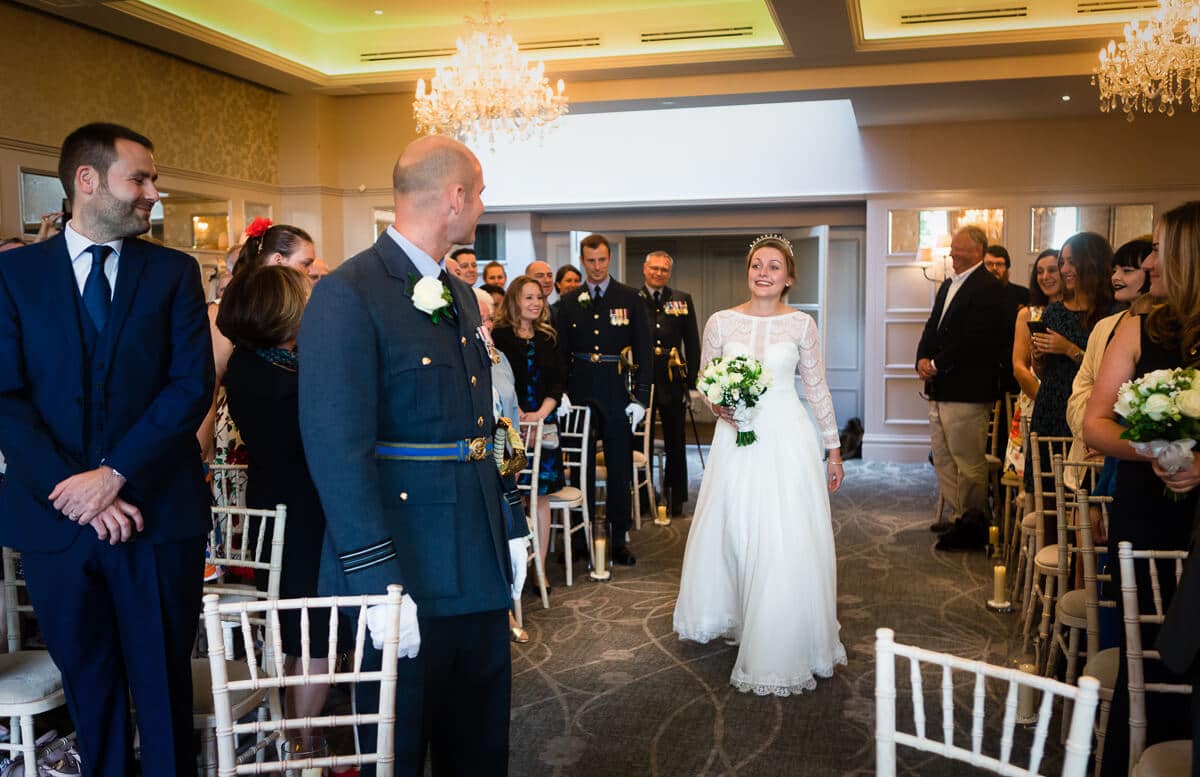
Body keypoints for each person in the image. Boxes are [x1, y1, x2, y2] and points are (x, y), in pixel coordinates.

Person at [0, 122, 214, 775]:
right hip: (56, 523)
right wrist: (78, 493)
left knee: (163, 687)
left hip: (157, 517)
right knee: (87, 691)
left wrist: (114, 474)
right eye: (140, 179)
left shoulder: (173, 271)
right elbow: (5, 397)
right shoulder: (13, 275)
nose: (153, 192)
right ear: (86, 182)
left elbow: (190, 386)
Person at [299, 134, 513, 775]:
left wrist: (512, 523)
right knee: (396, 749)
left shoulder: (452, 289)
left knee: (477, 745)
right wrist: (373, 584)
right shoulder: (350, 292)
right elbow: (337, 449)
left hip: (474, 556)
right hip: (405, 566)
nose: (481, 205)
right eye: (478, 194)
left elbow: (480, 422)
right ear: (455, 198)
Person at [674, 234, 845, 696]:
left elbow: (817, 390)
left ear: (789, 278)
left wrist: (832, 449)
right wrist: (719, 405)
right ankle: (741, 611)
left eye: (774, 266)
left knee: (783, 531)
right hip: (737, 439)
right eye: (756, 264)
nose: (763, 272)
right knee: (736, 525)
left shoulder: (802, 326)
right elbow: (706, 380)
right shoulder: (720, 322)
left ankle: (781, 633)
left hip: (788, 436)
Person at [1083, 203, 1200, 777]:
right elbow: (1096, 424)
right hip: (1150, 509)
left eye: (1159, 249)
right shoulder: (1139, 326)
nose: (1149, 261)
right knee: (1153, 648)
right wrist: (1160, 451)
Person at [217, 264, 336, 724]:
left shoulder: (253, 363)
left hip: (277, 503)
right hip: (302, 513)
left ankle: (295, 736)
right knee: (314, 634)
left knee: (300, 630)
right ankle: (303, 749)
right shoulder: (288, 379)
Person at [556, 234, 652, 567]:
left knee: (619, 465)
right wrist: (561, 393)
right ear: (582, 261)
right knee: (578, 464)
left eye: (601, 260)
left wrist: (640, 398)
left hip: (615, 390)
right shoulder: (569, 301)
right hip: (580, 390)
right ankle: (580, 535)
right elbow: (560, 353)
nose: (596, 267)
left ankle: (619, 535)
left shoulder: (630, 297)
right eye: (590, 261)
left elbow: (644, 351)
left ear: (609, 259)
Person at [198, 221, 316, 463]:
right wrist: (204, 454)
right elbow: (209, 386)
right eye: (306, 264)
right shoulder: (236, 317)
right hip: (240, 428)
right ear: (278, 260)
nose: (309, 273)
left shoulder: (286, 346)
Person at [915, 226, 1008, 530]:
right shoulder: (946, 285)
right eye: (952, 248)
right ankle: (958, 515)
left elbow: (975, 338)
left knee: (967, 462)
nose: (952, 253)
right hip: (940, 387)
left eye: (960, 249)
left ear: (979, 251)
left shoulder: (988, 287)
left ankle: (973, 522)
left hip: (968, 390)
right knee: (943, 458)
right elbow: (933, 326)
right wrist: (921, 359)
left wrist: (938, 363)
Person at [1025, 232, 1115, 493]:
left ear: (1092, 263)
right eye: (1062, 262)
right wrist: (1038, 356)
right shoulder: (1054, 311)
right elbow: (1043, 372)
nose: (1064, 270)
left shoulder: (1112, 313)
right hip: (1051, 406)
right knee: (1048, 494)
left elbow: (1107, 372)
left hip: (1087, 410)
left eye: (1070, 262)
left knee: (1082, 494)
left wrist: (1069, 349)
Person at [493, 275, 566, 573]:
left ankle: (541, 569)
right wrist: (520, 415)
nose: (536, 303)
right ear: (514, 301)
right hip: (507, 426)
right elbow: (499, 381)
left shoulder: (549, 337)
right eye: (529, 297)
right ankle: (512, 570)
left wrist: (539, 415)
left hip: (544, 426)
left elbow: (558, 382)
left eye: (539, 297)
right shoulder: (498, 336)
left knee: (540, 496)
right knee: (510, 494)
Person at [639, 250, 700, 516]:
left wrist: (694, 383)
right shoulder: (633, 299)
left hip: (673, 378)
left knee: (676, 440)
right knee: (641, 441)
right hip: (643, 379)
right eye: (654, 268)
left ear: (669, 273)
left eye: (664, 270)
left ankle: (675, 499)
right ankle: (643, 498)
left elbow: (693, 343)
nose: (658, 273)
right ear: (645, 269)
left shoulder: (681, 300)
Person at [1005, 248, 1062, 477]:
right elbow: (1019, 365)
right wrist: (1043, 398)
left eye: (1052, 270)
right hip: (1033, 397)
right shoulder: (1029, 313)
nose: (1045, 276)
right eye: (1039, 271)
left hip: (1069, 400)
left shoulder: (1082, 313)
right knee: (1033, 477)